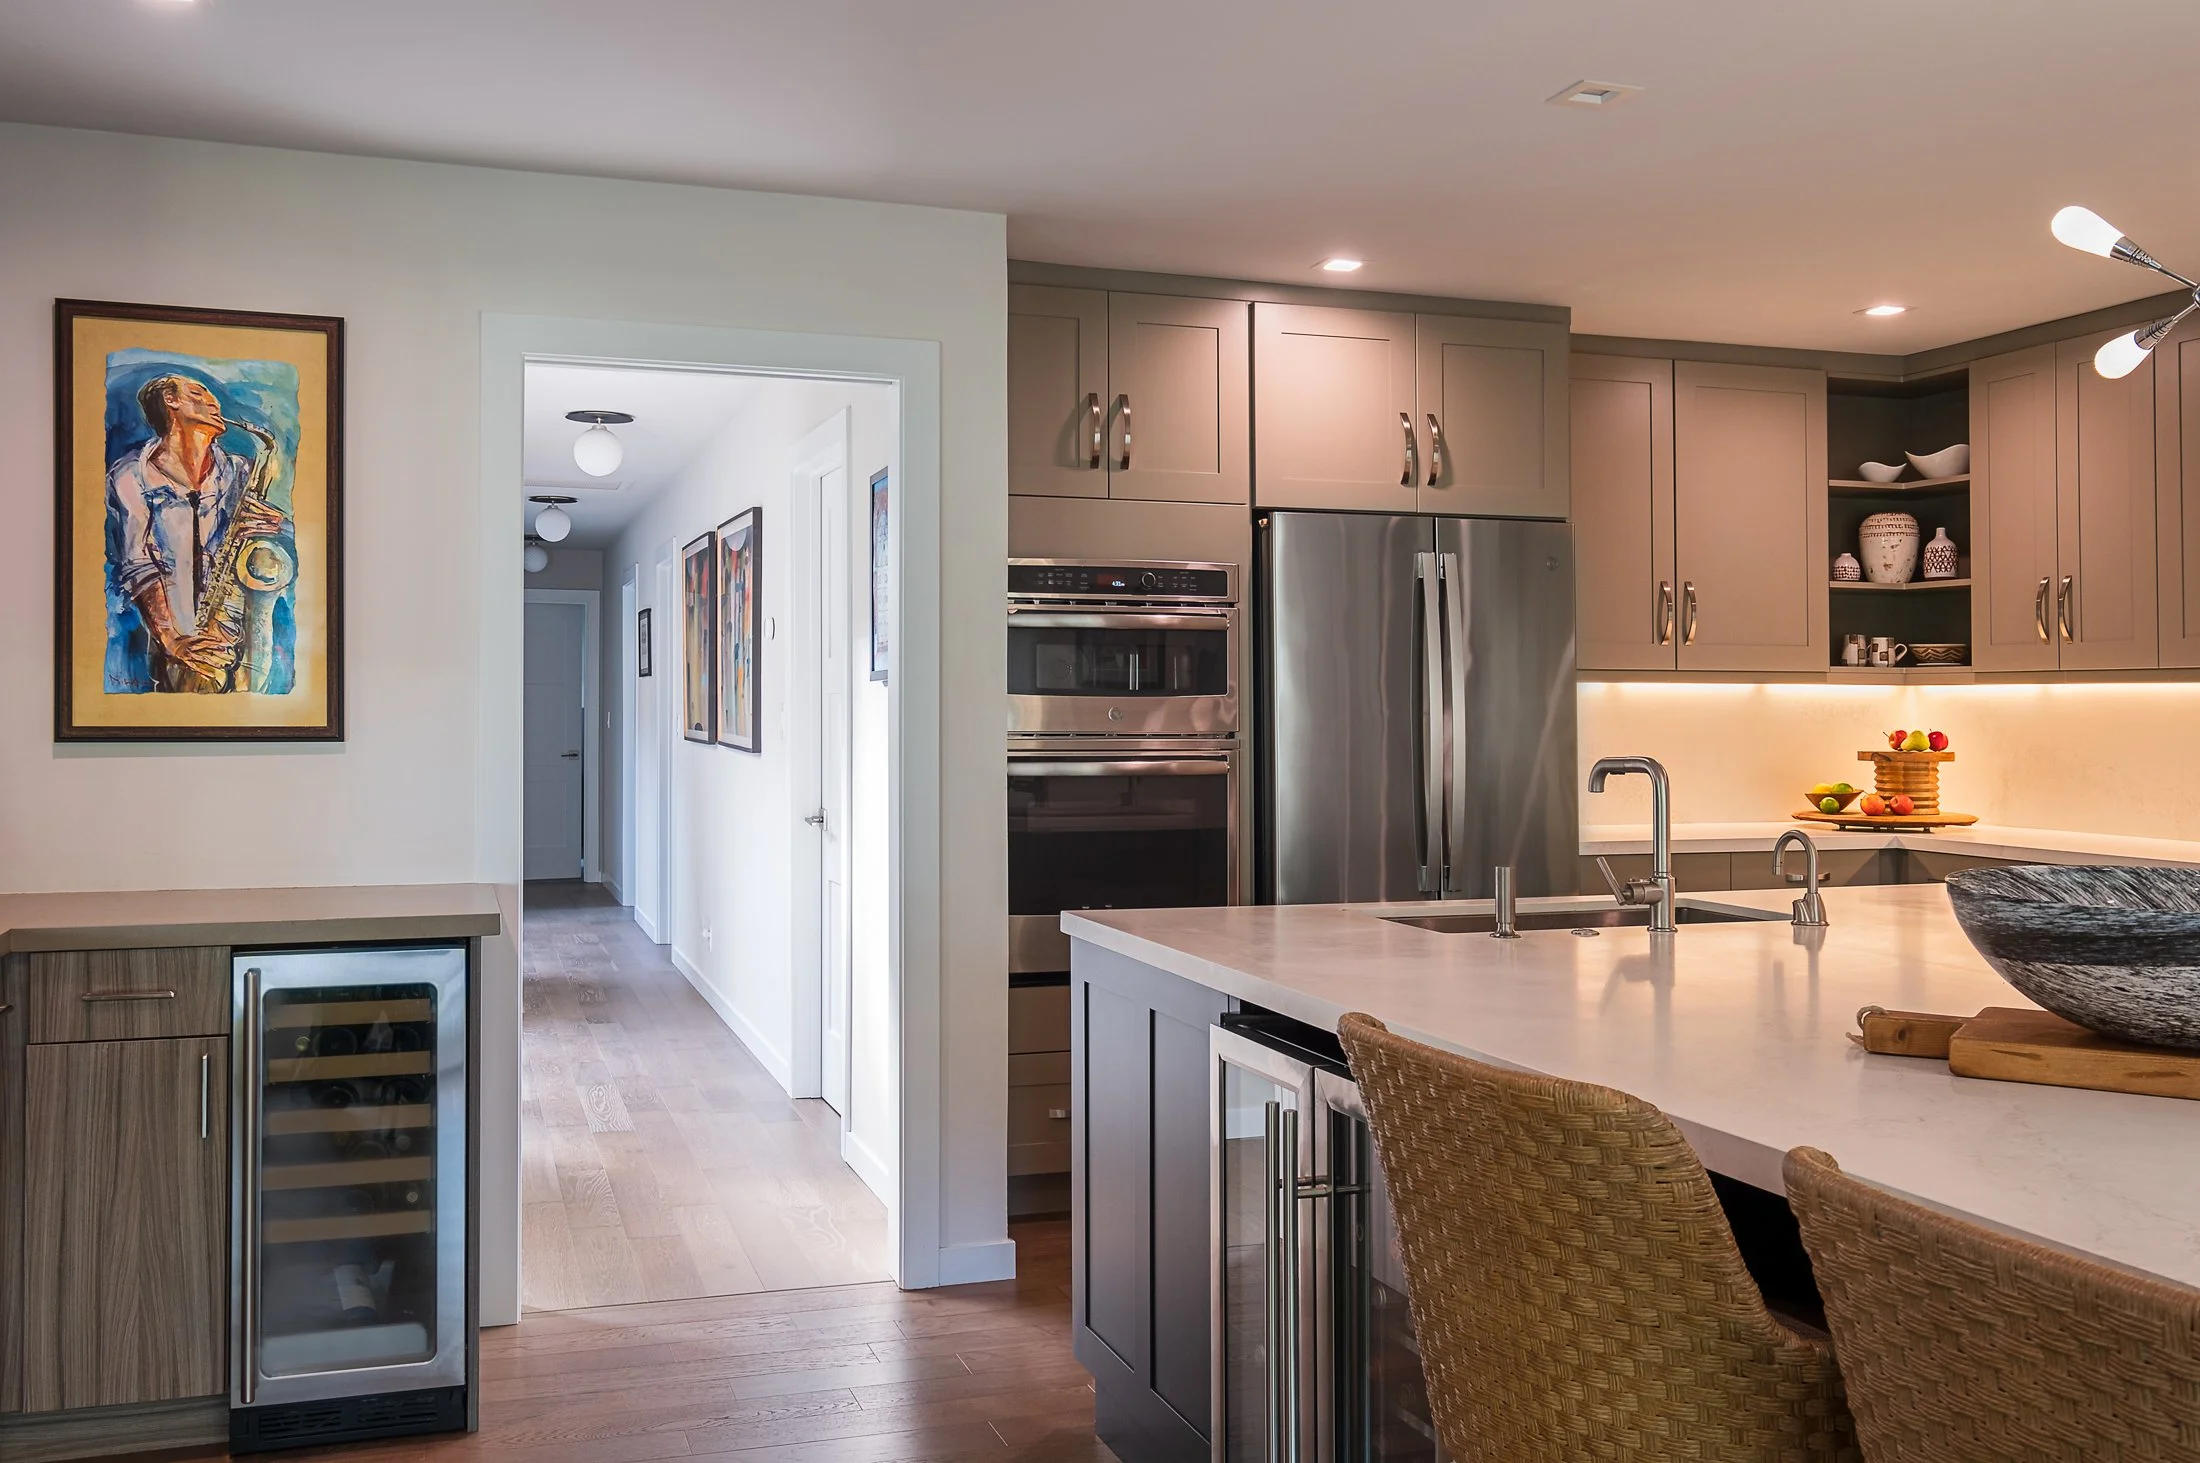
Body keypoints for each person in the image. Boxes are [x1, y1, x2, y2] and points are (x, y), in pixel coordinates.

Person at [106, 373, 291, 692]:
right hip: (178, 652)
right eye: (197, 393)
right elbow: (137, 564)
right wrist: (172, 640)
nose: (214, 402)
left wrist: (278, 525)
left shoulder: (242, 472)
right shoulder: (129, 476)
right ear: (170, 401)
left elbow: (291, 537)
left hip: (239, 632)